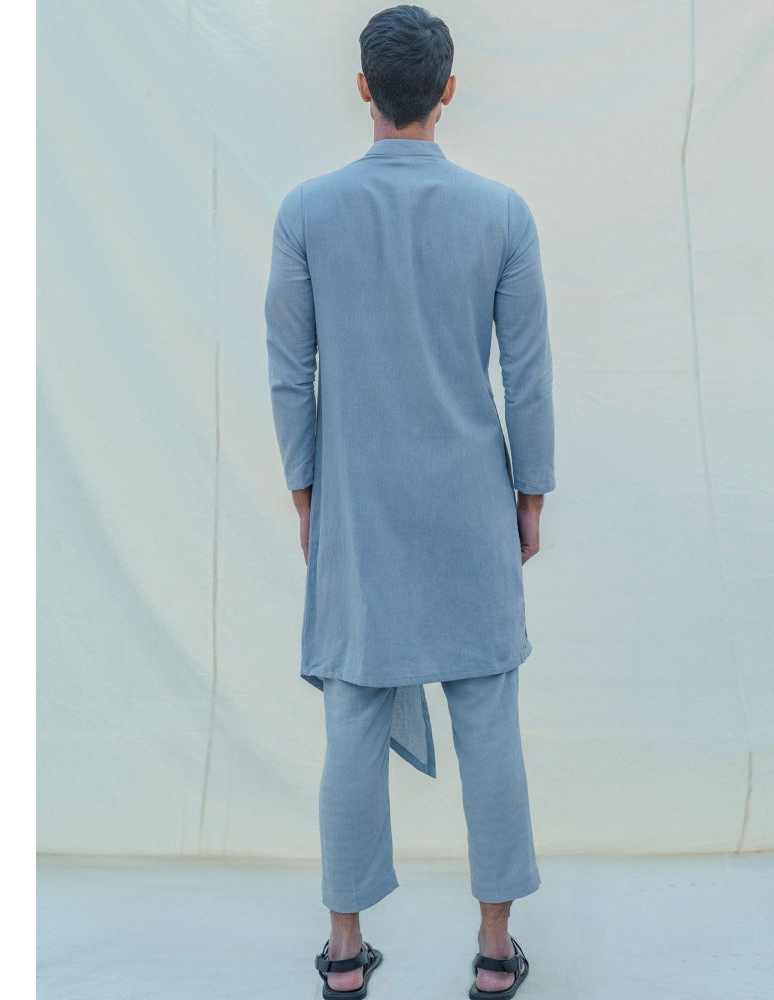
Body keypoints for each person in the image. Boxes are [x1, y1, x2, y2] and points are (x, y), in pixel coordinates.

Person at [264, 6, 555, 998]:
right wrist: (530, 496)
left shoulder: (307, 212)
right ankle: (494, 951)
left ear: (363, 89)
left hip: (357, 502)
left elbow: (288, 372)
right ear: (447, 90)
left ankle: (344, 954)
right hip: (471, 501)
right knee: (489, 719)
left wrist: (306, 492)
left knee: (351, 714)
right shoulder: (501, 214)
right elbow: (528, 376)